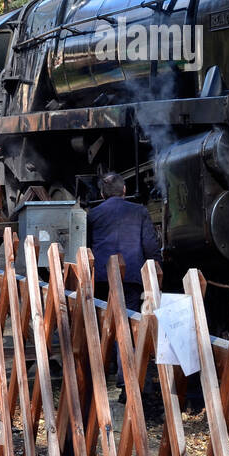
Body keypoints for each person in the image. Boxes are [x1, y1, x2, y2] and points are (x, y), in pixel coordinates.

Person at [87, 172, 163, 411]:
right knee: (127, 328)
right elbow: (150, 245)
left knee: (105, 328)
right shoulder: (139, 211)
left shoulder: (93, 215)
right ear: (124, 189)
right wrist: (157, 267)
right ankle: (128, 382)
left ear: (101, 194)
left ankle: (98, 380)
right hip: (131, 277)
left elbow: (87, 246)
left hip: (102, 278)